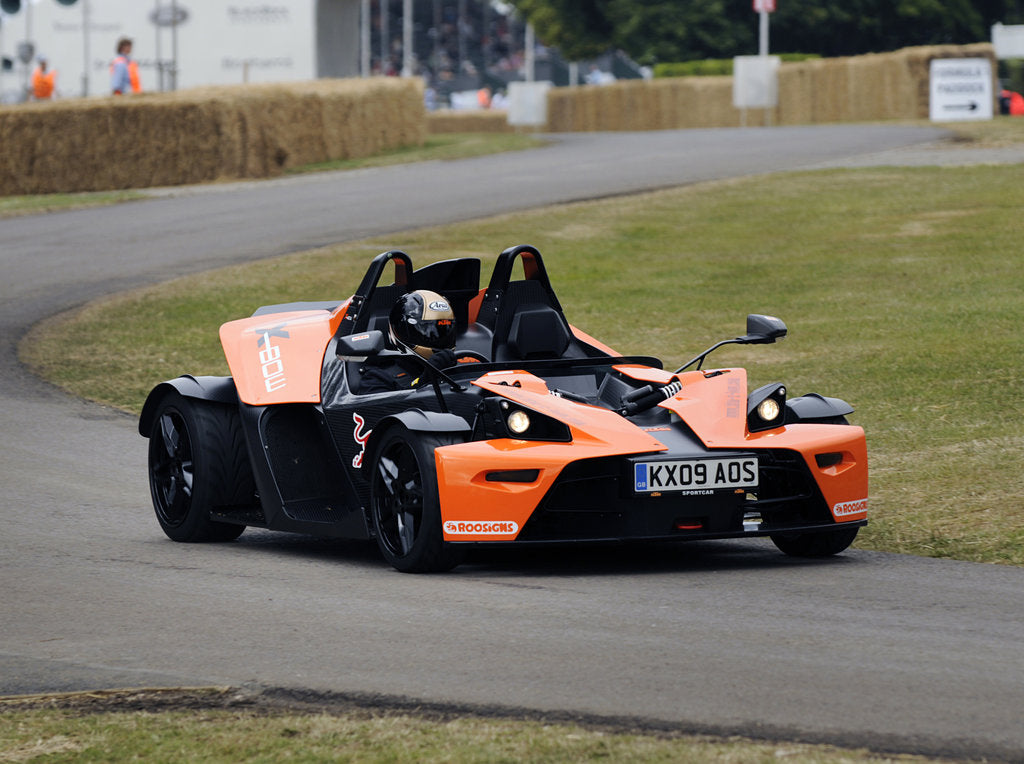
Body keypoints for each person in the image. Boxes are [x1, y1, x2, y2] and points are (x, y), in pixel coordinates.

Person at [358, 290, 459, 393]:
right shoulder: (377, 379)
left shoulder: (461, 364)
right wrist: (427, 379)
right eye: (425, 329)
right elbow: (386, 408)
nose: (438, 339)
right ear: (402, 329)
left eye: (443, 330)